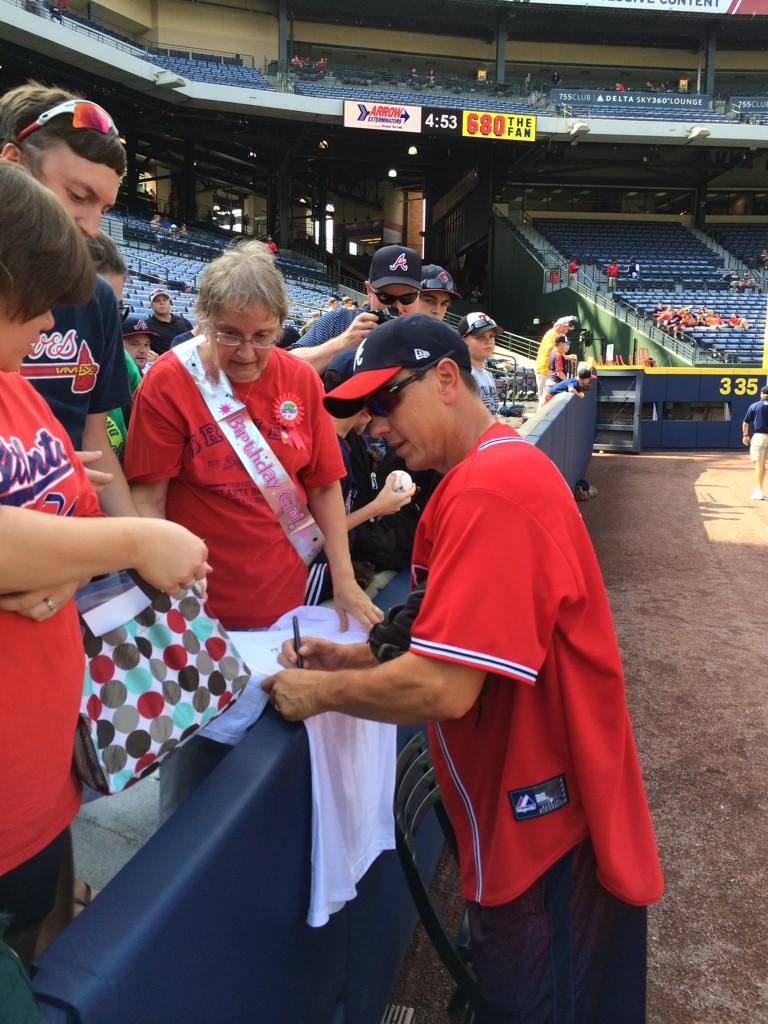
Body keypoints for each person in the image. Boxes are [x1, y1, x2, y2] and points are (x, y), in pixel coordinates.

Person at [264, 315, 664, 1023]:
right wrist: (349, 655)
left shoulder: (492, 487)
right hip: (529, 804)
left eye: (386, 402)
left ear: (447, 379)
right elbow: (443, 645)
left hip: (546, 825)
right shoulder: (485, 470)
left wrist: (315, 692)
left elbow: (443, 688)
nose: (375, 425)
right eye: (365, 409)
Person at [0, 161, 210, 967]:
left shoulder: (18, 383)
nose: (54, 317)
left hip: (43, 783)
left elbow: (67, 509)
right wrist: (129, 541)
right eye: (38, 298)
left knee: (42, 946)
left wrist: (57, 553)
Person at [124, 241, 382, 817]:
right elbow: (148, 497)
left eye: (263, 336)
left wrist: (343, 580)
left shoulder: (298, 380)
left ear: (282, 327)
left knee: (271, 763)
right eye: (229, 335)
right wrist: (166, 600)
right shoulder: (169, 382)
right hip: (200, 614)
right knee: (192, 781)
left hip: (283, 610)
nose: (247, 353)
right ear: (203, 323)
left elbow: (322, 486)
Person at [0, 82, 135, 516]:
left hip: (69, 548)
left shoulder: (96, 298)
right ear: (12, 165)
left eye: (105, 208)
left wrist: (137, 544)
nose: (92, 227)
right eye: (78, 196)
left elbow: (95, 441)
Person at [289, 244, 423, 374]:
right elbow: (287, 365)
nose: (398, 307)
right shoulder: (340, 320)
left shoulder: (428, 334)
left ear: (418, 295)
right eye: (385, 297)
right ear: (369, 290)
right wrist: (342, 342)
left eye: (408, 298)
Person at [458, 312, 499, 415]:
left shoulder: (488, 375)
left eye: (491, 336)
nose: (488, 341)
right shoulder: (461, 375)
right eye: (480, 337)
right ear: (462, 340)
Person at [534, 315, 576, 404]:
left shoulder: (554, 334)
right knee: (544, 399)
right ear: (562, 326)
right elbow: (550, 351)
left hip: (547, 370)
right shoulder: (553, 334)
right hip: (545, 369)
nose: (567, 331)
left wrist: (566, 357)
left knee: (546, 399)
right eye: (567, 328)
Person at [145, 287, 193, 355]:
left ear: (169, 303)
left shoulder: (184, 322)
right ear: (151, 305)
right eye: (157, 301)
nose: (162, 303)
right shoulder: (147, 326)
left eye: (165, 300)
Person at [742, 385, 768, 500]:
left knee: (759, 465)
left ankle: (758, 491)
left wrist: (746, 435)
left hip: (760, 437)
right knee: (763, 465)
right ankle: (759, 489)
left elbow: (746, 422)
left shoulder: (755, 405)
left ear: (762, 394)